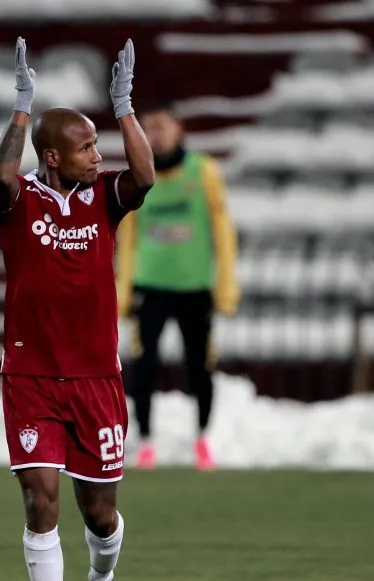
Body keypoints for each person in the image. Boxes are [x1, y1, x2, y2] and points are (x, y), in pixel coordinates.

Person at [0, 37, 155, 581]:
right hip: (30, 376)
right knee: (39, 498)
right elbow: (1, 177)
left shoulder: (102, 199)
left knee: (101, 513)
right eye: (86, 146)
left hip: (95, 379)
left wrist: (123, 105)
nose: (97, 153)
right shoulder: (20, 201)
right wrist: (22, 110)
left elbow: (145, 176)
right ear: (52, 156)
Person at [114, 100, 240, 471]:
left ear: (178, 129)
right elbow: (128, 238)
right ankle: (147, 440)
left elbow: (223, 230)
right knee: (144, 366)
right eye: (149, 126)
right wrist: (123, 289)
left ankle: (202, 437)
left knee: (200, 364)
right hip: (149, 286)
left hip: (194, 287)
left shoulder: (203, 172)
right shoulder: (139, 175)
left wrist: (226, 282)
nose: (156, 133)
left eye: (162, 125)